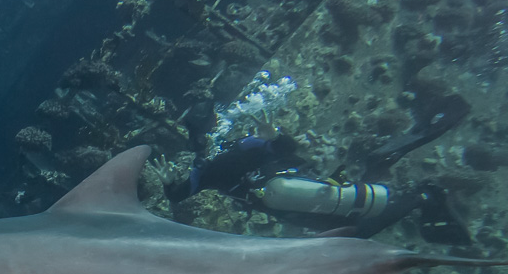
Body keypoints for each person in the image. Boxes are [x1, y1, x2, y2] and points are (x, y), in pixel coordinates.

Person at [156, 103, 473, 245]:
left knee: (352, 233)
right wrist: (169, 185)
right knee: (347, 223)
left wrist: (274, 135)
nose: (204, 140)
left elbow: (285, 148)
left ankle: (421, 195)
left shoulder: (240, 147)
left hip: (290, 192)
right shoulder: (208, 168)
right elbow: (182, 193)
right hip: (292, 196)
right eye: (199, 137)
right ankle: (403, 183)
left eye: (205, 132)